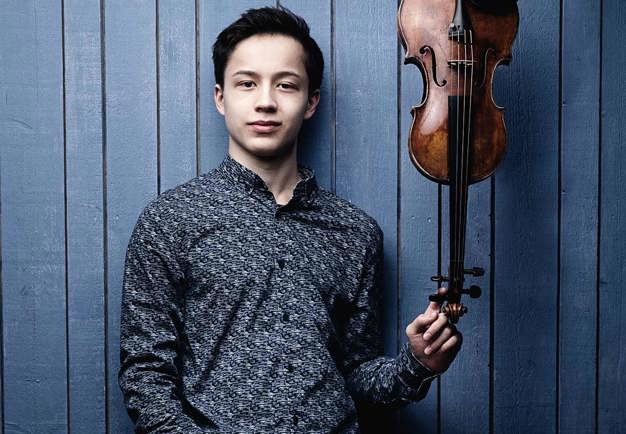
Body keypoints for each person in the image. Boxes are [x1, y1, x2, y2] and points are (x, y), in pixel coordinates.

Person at [118, 6, 462, 433]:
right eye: (247, 84)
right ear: (221, 98)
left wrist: (416, 365)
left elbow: (355, 376)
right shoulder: (169, 221)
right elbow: (145, 376)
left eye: (286, 85)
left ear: (310, 102)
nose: (265, 101)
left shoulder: (356, 233)